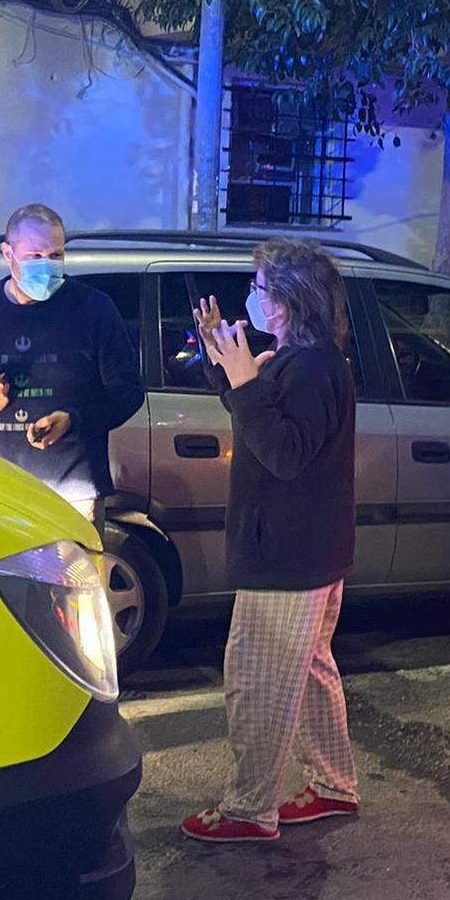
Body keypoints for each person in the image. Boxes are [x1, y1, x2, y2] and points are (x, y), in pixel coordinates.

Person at [180, 238, 360, 843]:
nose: (251, 299)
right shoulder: (300, 359)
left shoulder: (311, 368)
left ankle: (250, 808)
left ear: (287, 300)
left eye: (259, 288)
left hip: (287, 557)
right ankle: (335, 786)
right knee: (308, 674)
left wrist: (243, 377)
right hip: (305, 552)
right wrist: (221, 358)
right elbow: (250, 412)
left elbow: (283, 453)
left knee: (258, 680)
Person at [0, 204, 144, 515]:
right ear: (8, 254)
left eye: (56, 256)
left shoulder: (93, 309)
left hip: (75, 492)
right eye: (35, 256)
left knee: (75, 566)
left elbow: (127, 393)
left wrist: (73, 420)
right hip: (1, 490)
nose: (47, 266)